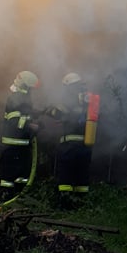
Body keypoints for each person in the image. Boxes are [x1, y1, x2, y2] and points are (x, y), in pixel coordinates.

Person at [45, 72, 95, 207]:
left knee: (65, 173)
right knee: (81, 174)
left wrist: (48, 110)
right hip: (85, 145)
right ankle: (81, 203)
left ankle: (65, 203)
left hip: (69, 145)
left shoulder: (69, 99)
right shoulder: (87, 100)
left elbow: (56, 112)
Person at [0, 71, 41, 200]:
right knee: (8, 178)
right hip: (12, 146)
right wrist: (31, 126)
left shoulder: (23, 99)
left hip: (22, 146)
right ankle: (5, 201)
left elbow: (24, 114)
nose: (32, 91)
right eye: (31, 88)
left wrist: (38, 113)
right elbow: (14, 121)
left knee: (21, 178)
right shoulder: (16, 98)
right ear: (26, 85)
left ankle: (19, 201)